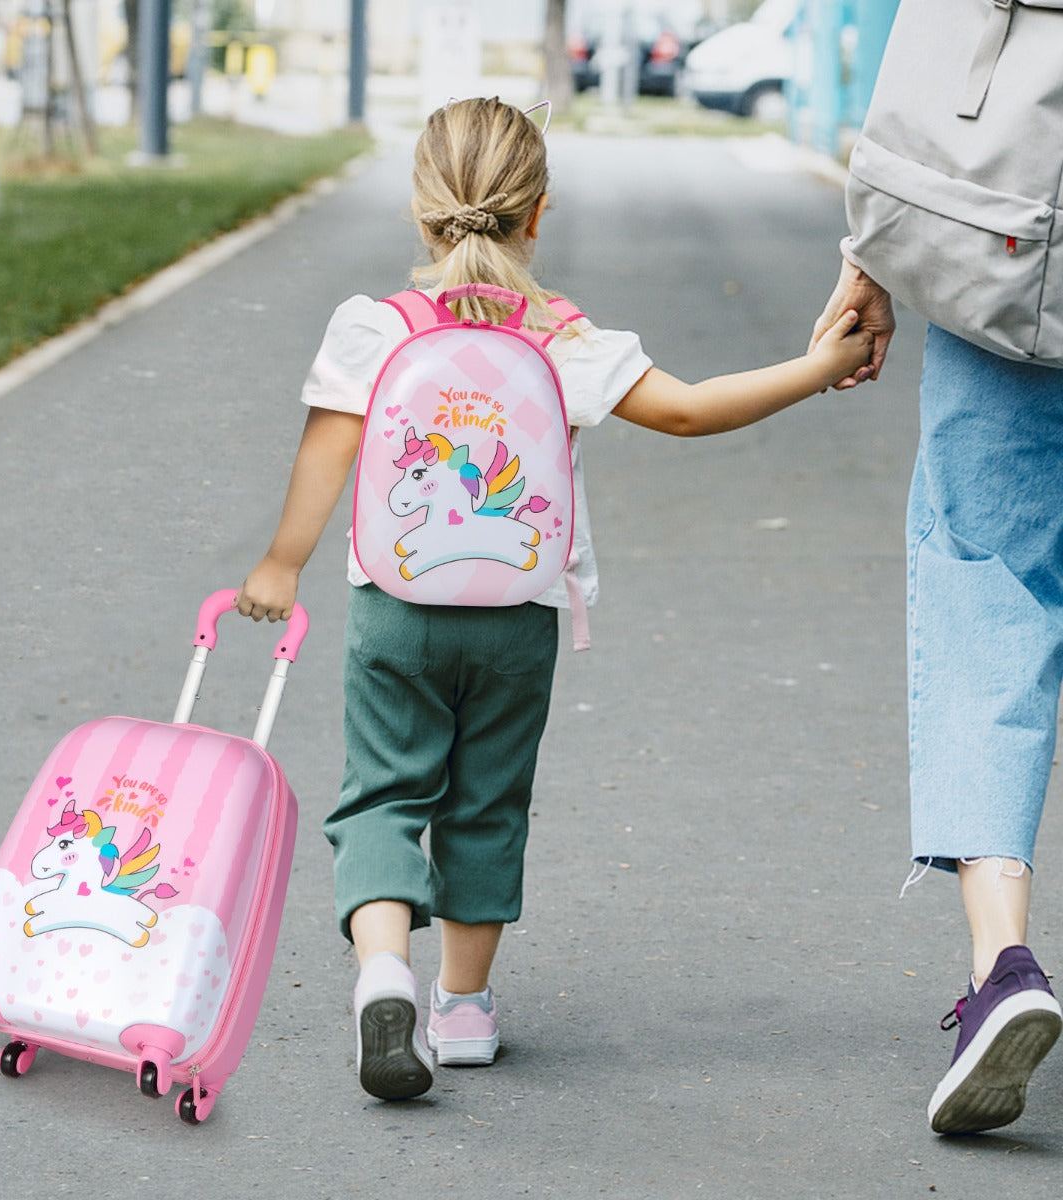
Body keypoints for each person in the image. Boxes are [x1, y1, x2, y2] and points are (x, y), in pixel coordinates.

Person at [238, 96, 874, 1102]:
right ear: (538, 214)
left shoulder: (373, 330)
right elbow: (691, 410)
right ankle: (461, 1010)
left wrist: (280, 565)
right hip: (515, 623)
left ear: (421, 211)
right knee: (484, 805)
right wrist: (821, 365)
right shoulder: (564, 339)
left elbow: (328, 454)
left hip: (395, 615)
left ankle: (382, 974)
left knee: (382, 798)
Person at [811, 249, 1063, 1135]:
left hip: (1009, 283)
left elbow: (923, 122)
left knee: (988, 604)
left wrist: (871, 260)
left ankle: (1005, 965)